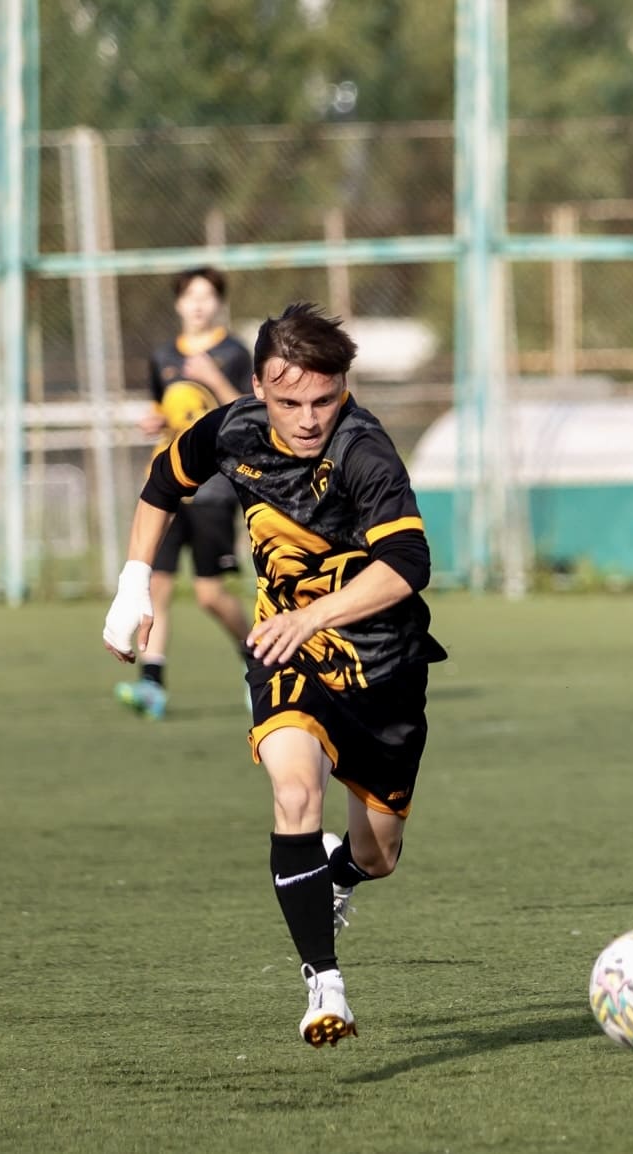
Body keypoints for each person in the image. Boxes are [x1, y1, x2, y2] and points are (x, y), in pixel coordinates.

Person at [102, 303, 447, 1047]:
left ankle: (338, 878)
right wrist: (133, 586)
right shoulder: (233, 428)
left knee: (378, 854)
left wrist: (315, 616)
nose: (309, 418)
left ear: (344, 386)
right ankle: (326, 988)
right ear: (258, 386)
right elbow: (164, 481)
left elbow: (408, 563)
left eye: (324, 399)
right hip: (284, 649)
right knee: (295, 792)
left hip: (383, 669)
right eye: (290, 401)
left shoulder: (364, 451)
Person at [115, 267, 262, 719]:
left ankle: (259, 662)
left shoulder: (234, 353)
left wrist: (213, 377)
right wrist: (157, 421)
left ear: (219, 303)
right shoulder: (163, 356)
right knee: (155, 585)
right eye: (190, 296)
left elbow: (249, 412)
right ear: (178, 303)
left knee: (209, 595)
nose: (198, 304)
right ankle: (152, 684)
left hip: (213, 490)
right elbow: (170, 408)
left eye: (207, 295)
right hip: (167, 488)